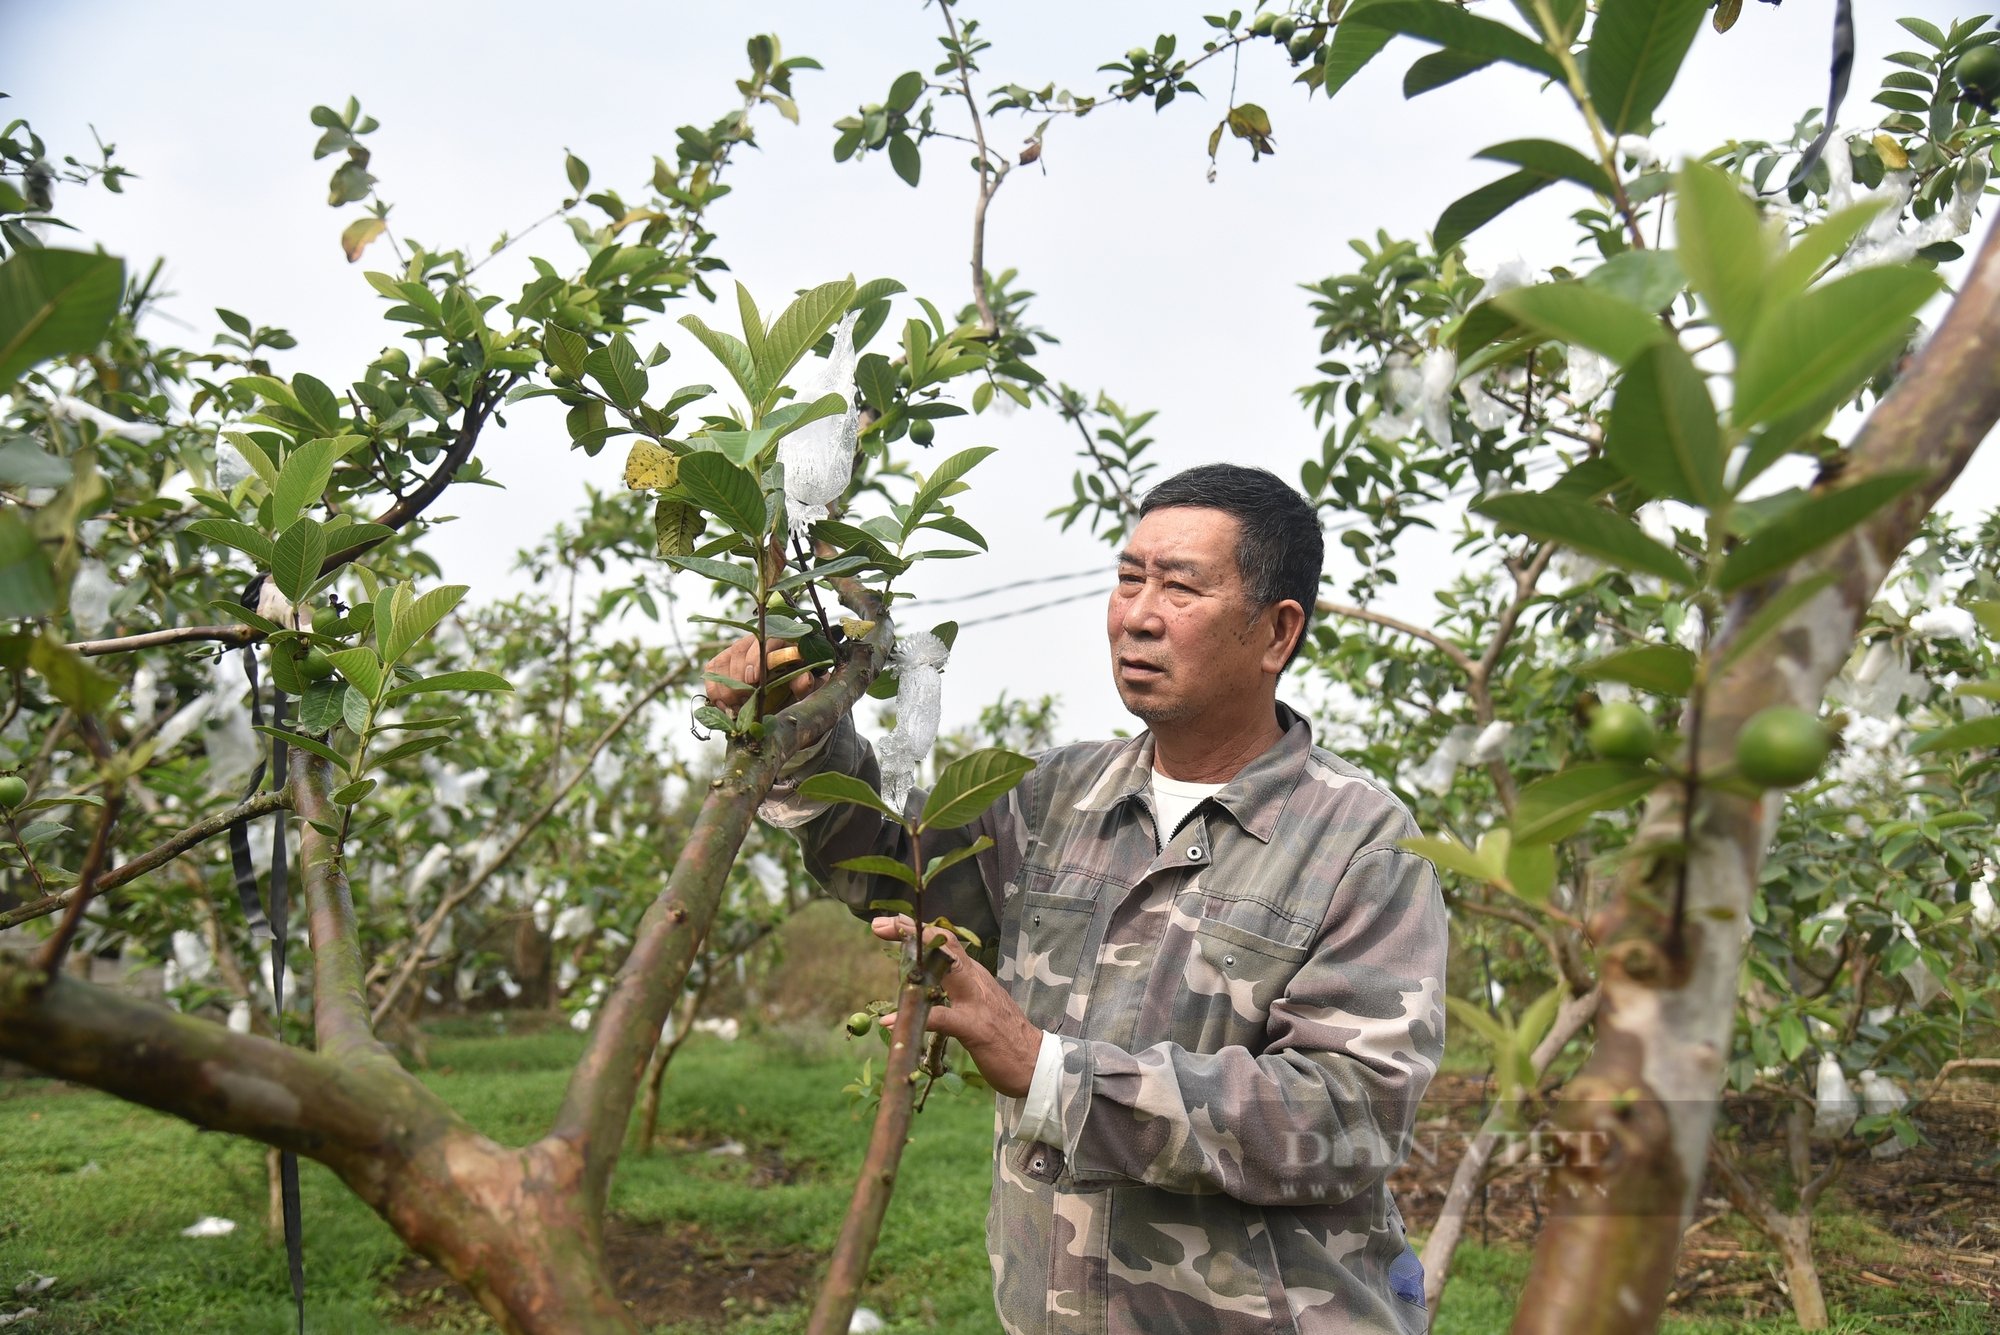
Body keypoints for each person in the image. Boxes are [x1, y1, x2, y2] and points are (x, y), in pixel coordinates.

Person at [707, 463, 1445, 1334]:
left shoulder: (1362, 840)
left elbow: (1349, 1110)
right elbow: (893, 872)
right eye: (1129, 577)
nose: (1137, 613)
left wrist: (1056, 1074)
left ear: (1276, 632)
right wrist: (798, 736)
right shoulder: (1059, 794)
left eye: (1180, 586)